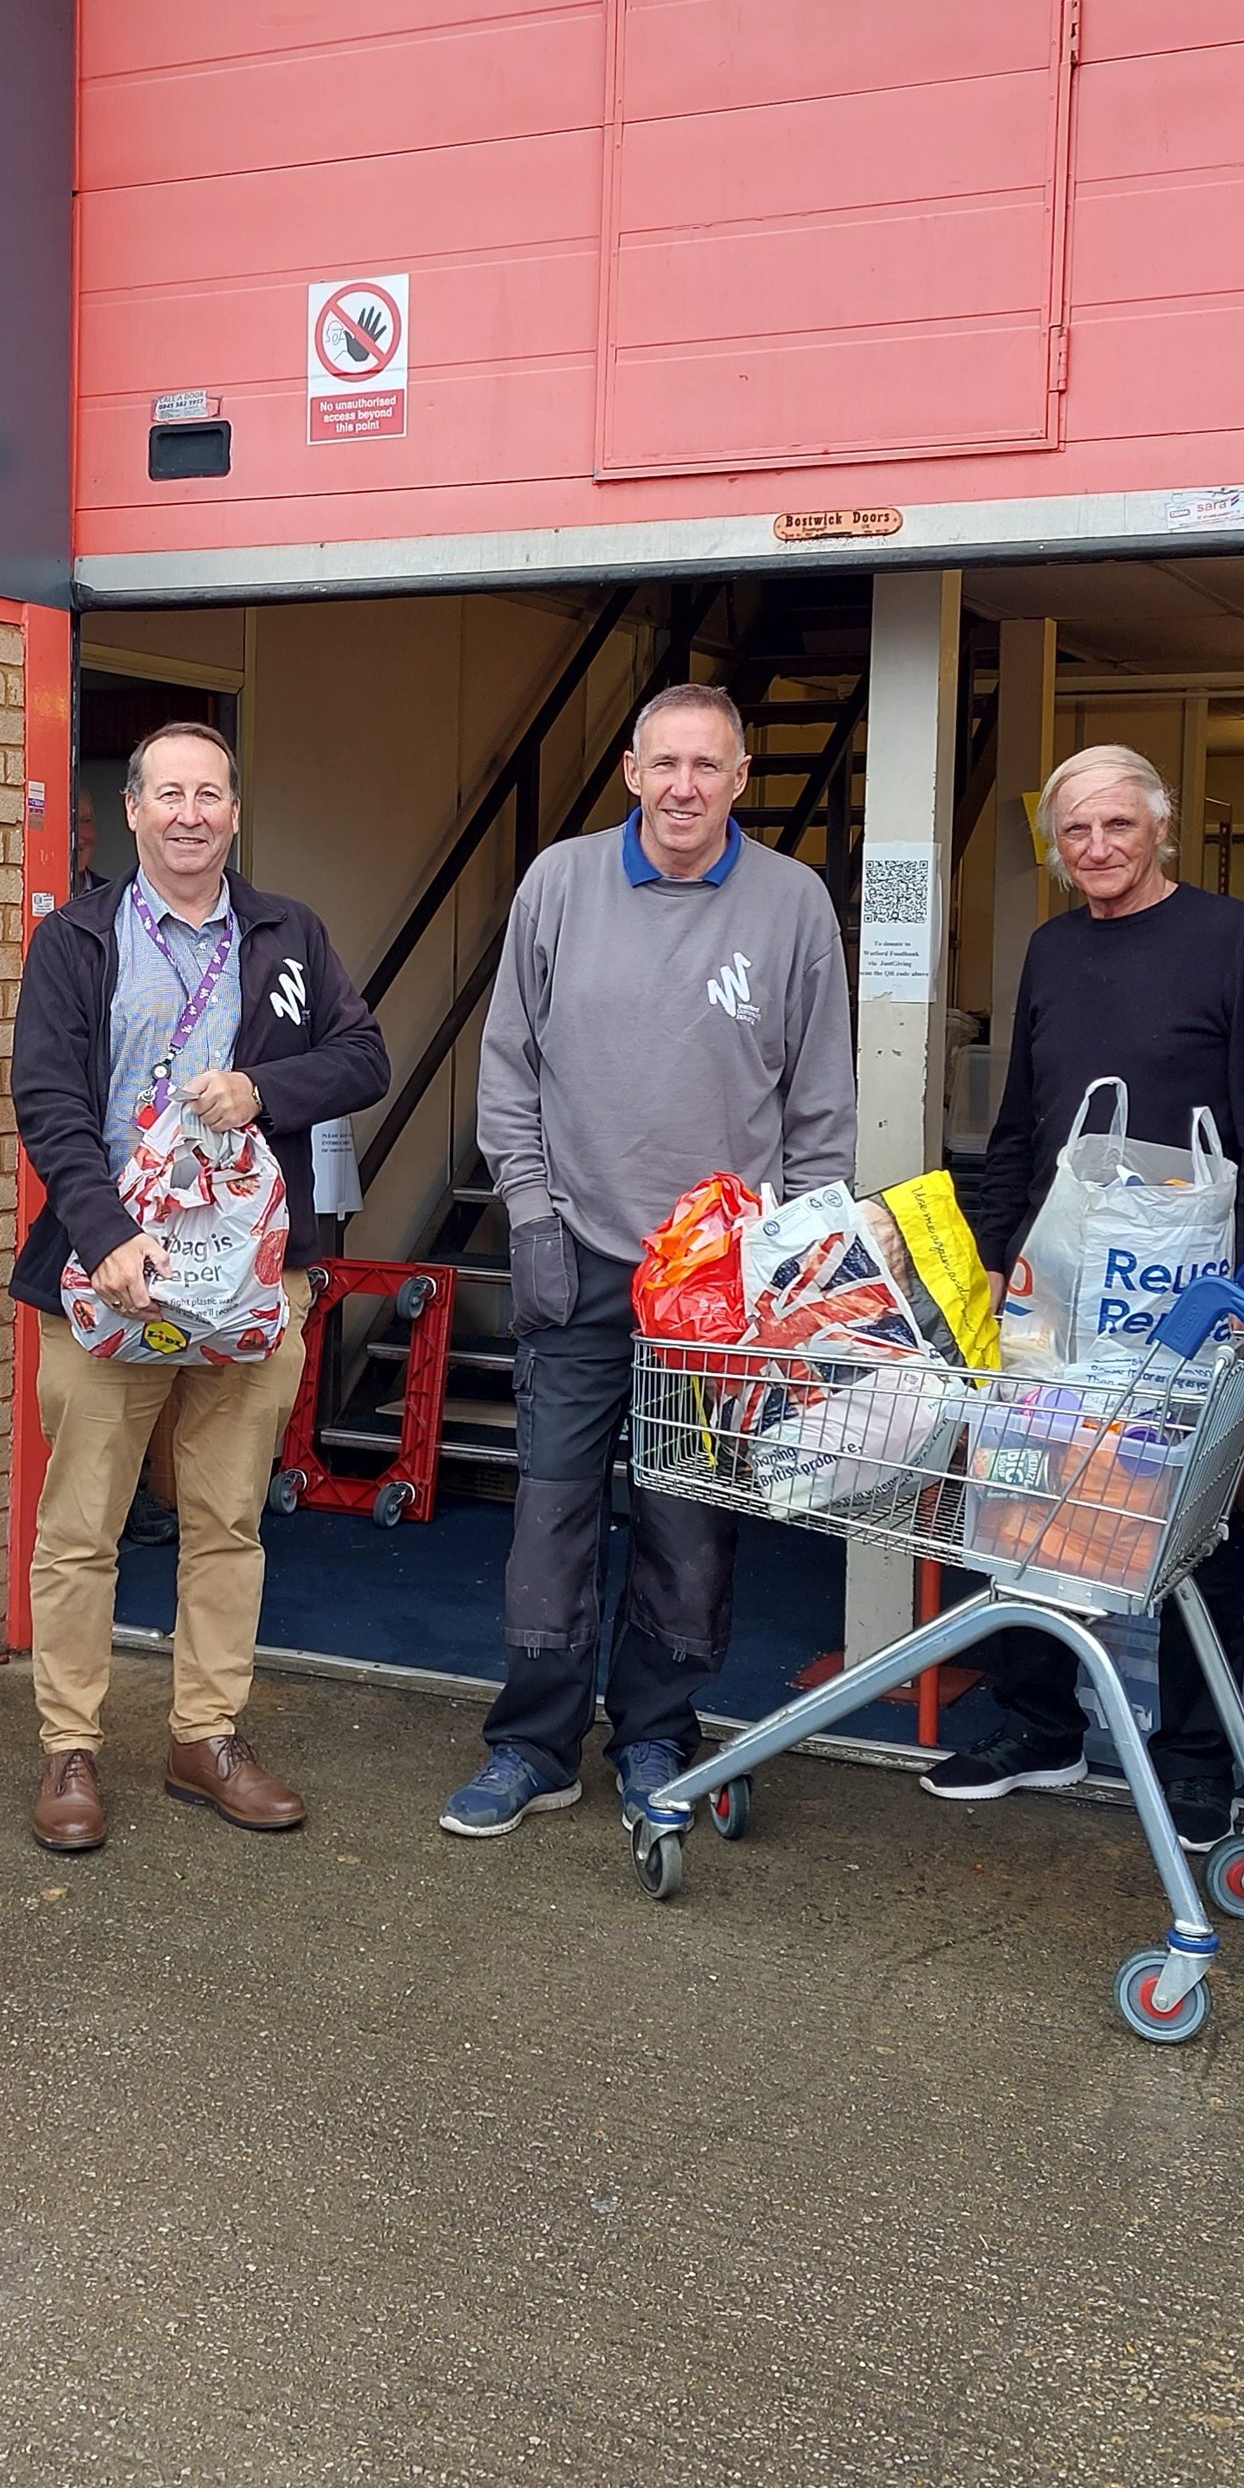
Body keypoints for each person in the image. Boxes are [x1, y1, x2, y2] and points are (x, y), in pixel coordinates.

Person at [441, 684, 856, 1837]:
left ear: (740, 778)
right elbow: (508, 1066)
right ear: (630, 771)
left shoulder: (792, 902)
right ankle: (534, 1746)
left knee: (687, 1522)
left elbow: (820, 1103)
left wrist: (791, 1269)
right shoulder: (558, 884)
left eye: (706, 766)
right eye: (663, 764)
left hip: (717, 1285)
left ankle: (657, 1737)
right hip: (575, 1252)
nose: (683, 787)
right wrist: (530, 1215)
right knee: (551, 1511)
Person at [9, 723, 390, 1856]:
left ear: (234, 811)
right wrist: (107, 1235)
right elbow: (46, 1099)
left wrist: (262, 1088)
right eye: (167, 794)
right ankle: (69, 1748)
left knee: (227, 1521)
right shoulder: (77, 939)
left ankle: (205, 1737)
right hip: (109, 1277)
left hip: (251, 1281)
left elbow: (364, 1058)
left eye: (209, 794)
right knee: (81, 1529)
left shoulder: (288, 933)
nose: (189, 814)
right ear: (131, 810)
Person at [926, 744, 1244, 1836]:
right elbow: (1022, 1120)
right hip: (1055, 1274)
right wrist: (996, 1250)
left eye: (1118, 826)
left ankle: (1195, 1759)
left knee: (1188, 1516)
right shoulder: (1052, 949)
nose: (1096, 848)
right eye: (1076, 831)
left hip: (1184, 1288)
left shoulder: (1228, 939)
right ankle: (1038, 1725)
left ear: (1160, 829)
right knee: (1024, 1487)